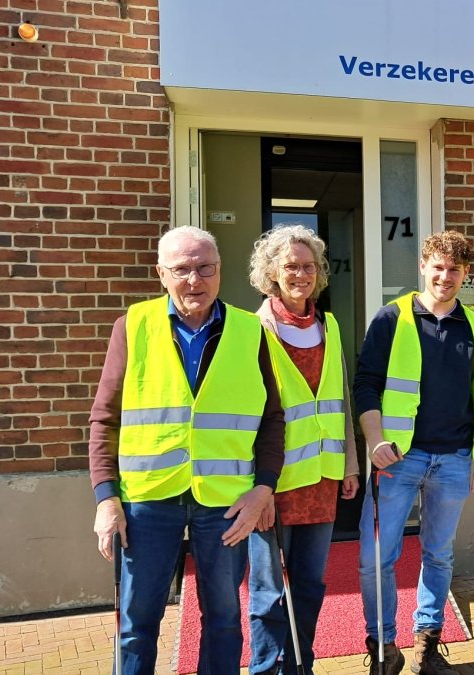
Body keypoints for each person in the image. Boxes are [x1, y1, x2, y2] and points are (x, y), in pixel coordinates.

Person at [89, 226, 284, 675]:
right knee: (138, 623)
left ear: (219, 271)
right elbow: (105, 418)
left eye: (205, 268)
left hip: (224, 502)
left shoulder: (250, 331)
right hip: (147, 500)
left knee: (223, 620)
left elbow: (272, 418)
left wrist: (263, 490)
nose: (194, 280)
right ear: (161, 273)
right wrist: (106, 498)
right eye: (181, 270)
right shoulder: (132, 326)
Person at [353, 230, 474, 675]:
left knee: (439, 554)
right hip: (398, 459)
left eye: (454, 270)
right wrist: (375, 440)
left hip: (454, 458)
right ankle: (383, 647)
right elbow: (366, 385)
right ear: (422, 267)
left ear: (465, 274)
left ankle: (427, 645)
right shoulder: (391, 319)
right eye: (438, 267)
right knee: (376, 556)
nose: (445, 277)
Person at [246, 225, 361, 675]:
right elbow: (249, 412)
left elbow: (342, 400)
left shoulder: (328, 325)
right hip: (273, 485)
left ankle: (301, 665)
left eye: (308, 266)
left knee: (310, 585)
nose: (301, 274)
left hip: (322, 480)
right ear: (272, 272)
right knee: (267, 591)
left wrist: (350, 466)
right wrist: (259, 485)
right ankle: (267, 669)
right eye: (291, 265)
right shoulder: (254, 328)